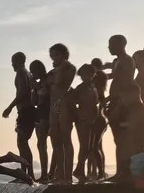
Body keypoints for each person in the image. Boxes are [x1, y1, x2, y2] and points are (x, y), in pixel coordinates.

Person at [105, 34, 136, 181]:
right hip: (114, 101)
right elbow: (114, 76)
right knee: (118, 139)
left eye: (111, 44)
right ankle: (120, 171)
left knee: (123, 139)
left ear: (120, 45)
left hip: (122, 103)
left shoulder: (128, 61)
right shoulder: (116, 61)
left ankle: (124, 171)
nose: (109, 47)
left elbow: (126, 82)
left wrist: (115, 99)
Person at [2, 52, 35, 179]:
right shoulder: (27, 73)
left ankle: (27, 173)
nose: (12, 64)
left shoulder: (21, 73)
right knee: (22, 143)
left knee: (22, 143)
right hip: (26, 111)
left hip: (25, 111)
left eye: (13, 61)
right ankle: (26, 172)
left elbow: (22, 93)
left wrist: (9, 108)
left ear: (19, 61)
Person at [48, 43, 77, 184]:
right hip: (54, 105)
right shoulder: (55, 70)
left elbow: (59, 83)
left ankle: (67, 175)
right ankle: (60, 174)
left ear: (64, 54)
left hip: (64, 104)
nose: (54, 58)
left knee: (66, 140)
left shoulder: (69, 68)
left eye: (56, 55)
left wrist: (58, 69)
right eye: (52, 56)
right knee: (55, 140)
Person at [70, 64, 101, 183]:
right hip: (83, 119)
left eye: (86, 75)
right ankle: (80, 170)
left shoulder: (93, 87)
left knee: (88, 147)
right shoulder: (81, 88)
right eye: (82, 75)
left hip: (92, 119)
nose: (84, 77)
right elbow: (73, 100)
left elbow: (95, 102)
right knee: (84, 146)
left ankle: (79, 169)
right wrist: (78, 113)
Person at [30, 59, 52, 183]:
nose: (33, 74)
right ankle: (44, 173)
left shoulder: (47, 81)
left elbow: (48, 97)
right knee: (40, 144)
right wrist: (33, 89)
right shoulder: (37, 84)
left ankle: (47, 173)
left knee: (44, 143)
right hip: (39, 114)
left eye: (34, 71)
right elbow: (34, 102)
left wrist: (38, 86)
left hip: (46, 114)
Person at [90, 58, 109, 180]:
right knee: (97, 147)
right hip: (99, 120)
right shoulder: (100, 90)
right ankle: (97, 172)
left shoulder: (98, 92)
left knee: (94, 147)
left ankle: (100, 173)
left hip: (98, 120)